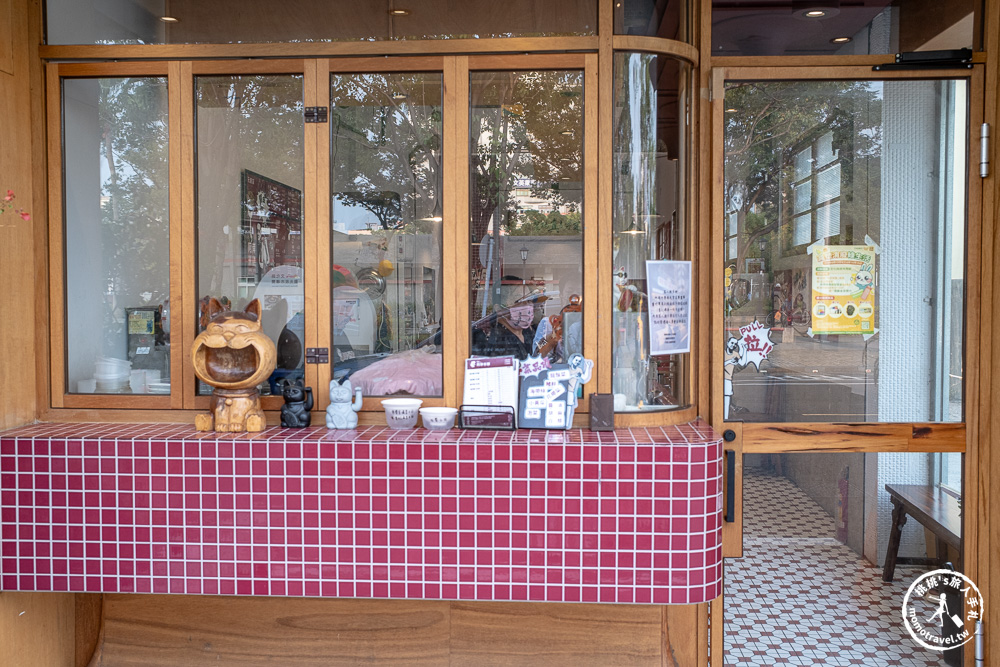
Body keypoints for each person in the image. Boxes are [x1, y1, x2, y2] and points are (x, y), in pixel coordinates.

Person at [471, 302, 537, 360]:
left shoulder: (527, 332)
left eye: (528, 301)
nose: (527, 306)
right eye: (519, 302)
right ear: (498, 308)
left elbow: (538, 351)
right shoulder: (498, 340)